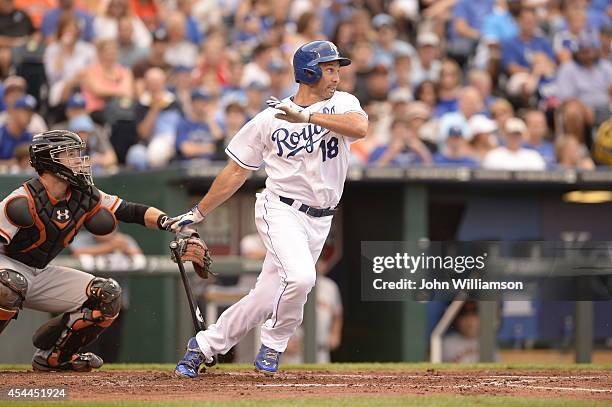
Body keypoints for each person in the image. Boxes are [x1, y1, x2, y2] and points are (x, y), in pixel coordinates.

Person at [165, 40, 368, 378]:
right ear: (308, 72)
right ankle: (273, 345)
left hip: (321, 219)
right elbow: (236, 170)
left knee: (264, 299)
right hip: (282, 209)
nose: (336, 76)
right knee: (302, 278)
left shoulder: (343, 103)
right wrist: (198, 212)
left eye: (336, 69)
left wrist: (305, 116)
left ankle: (203, 346)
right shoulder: (268, 119)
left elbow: (360, 128)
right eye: (329, 69)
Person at [0, 130, 181, 372]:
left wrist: (172, 223)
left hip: (38, 273)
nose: (78, 160)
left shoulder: (84, 196)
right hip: (6, 266)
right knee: (10, 285)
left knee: (106, 294)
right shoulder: (21, 200)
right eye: (69, 154)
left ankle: (55, 358)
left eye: (78, 153)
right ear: (48, 159)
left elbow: (131, 211)